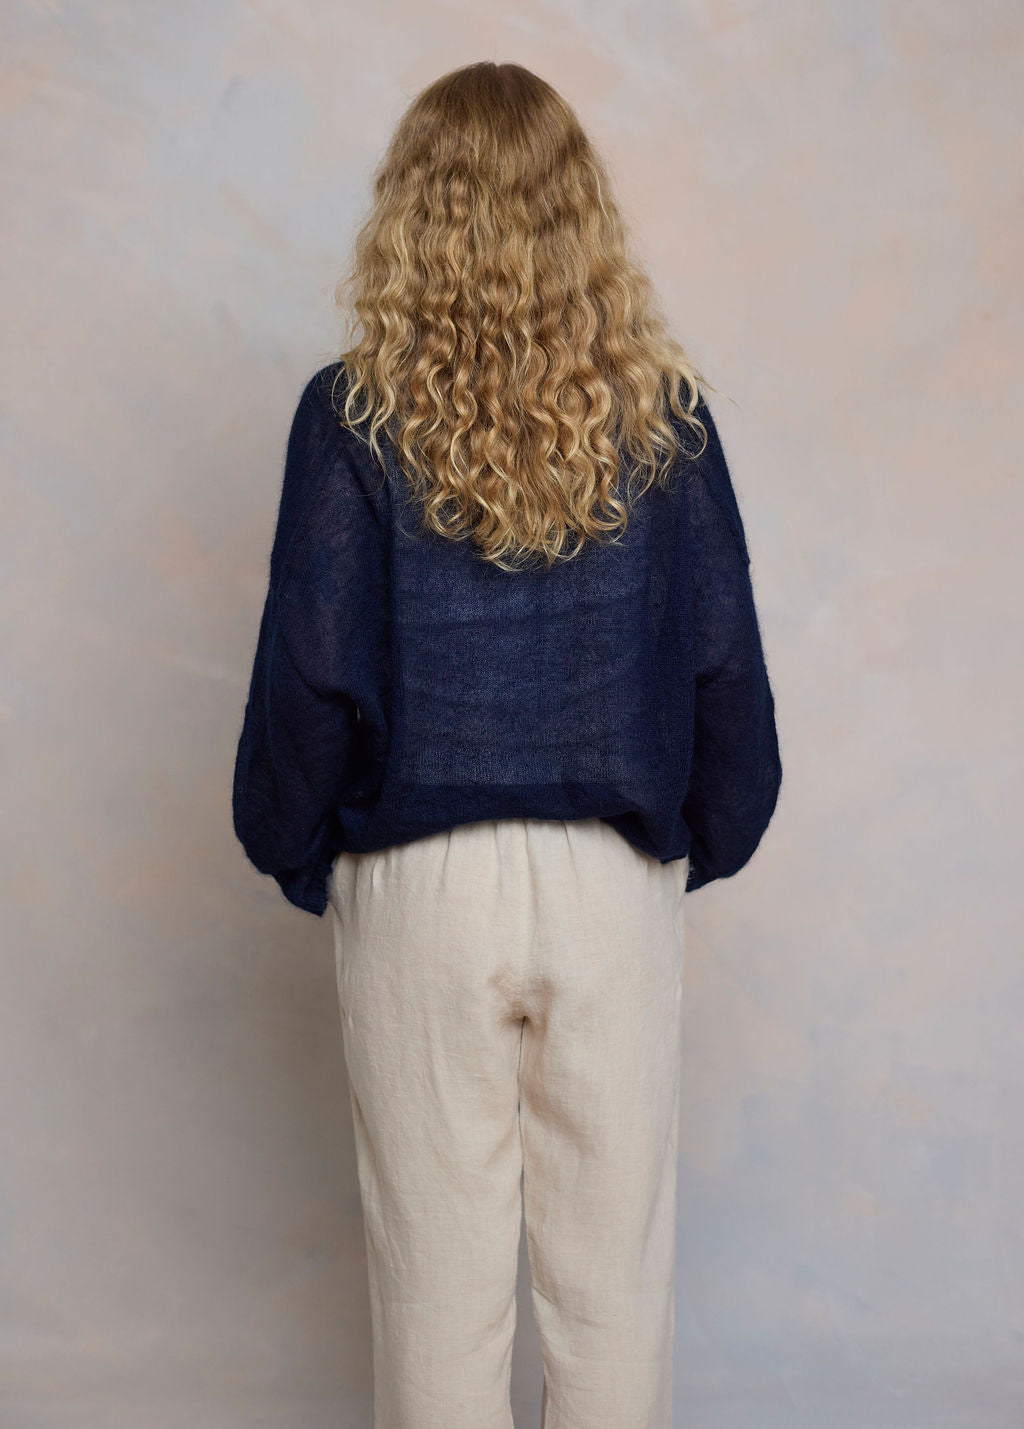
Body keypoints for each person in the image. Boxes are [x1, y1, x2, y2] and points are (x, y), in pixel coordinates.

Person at [232, 60, 782, 1429]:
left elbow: (310, 678)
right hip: (609, 883)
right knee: (613, 1297)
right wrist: (682, 850)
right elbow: (725, 674)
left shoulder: (350, 421)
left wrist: (302, 851)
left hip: (419, 890)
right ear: (581, 212)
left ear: (411, 213)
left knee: (438, 1296)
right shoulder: (666, 423)